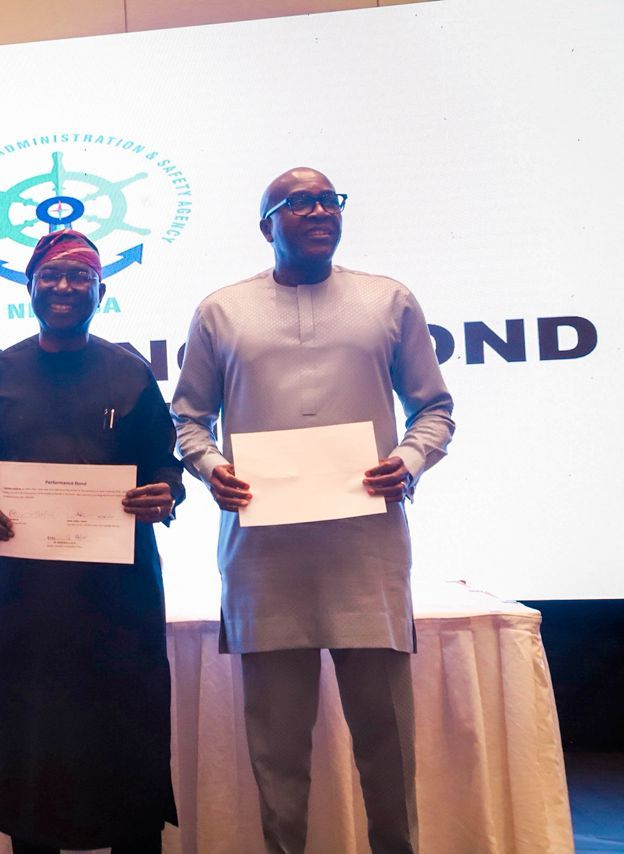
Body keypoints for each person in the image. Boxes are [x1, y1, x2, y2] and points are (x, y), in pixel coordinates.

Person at [171, 167, 455, 854]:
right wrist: (212, 469)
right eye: (300, 203)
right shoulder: (221, 311)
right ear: (266, 224)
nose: (320, 211)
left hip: (367, 554)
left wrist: (409, 460)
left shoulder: (389, 300)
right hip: (263, 561)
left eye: (331, 200)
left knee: (387, 743)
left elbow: (435, 410)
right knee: (277, 754)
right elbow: (188, 420)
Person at [0, 230, 182, 854]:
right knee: (33, 742)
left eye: (79, 277)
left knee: (126, 736)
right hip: (27, 600)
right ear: (29, 287)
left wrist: (165, 493)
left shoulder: (130, 372)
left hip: (119, 598)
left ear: (100, 291)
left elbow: (166, 466)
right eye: (50, 276)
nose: (63, 287)